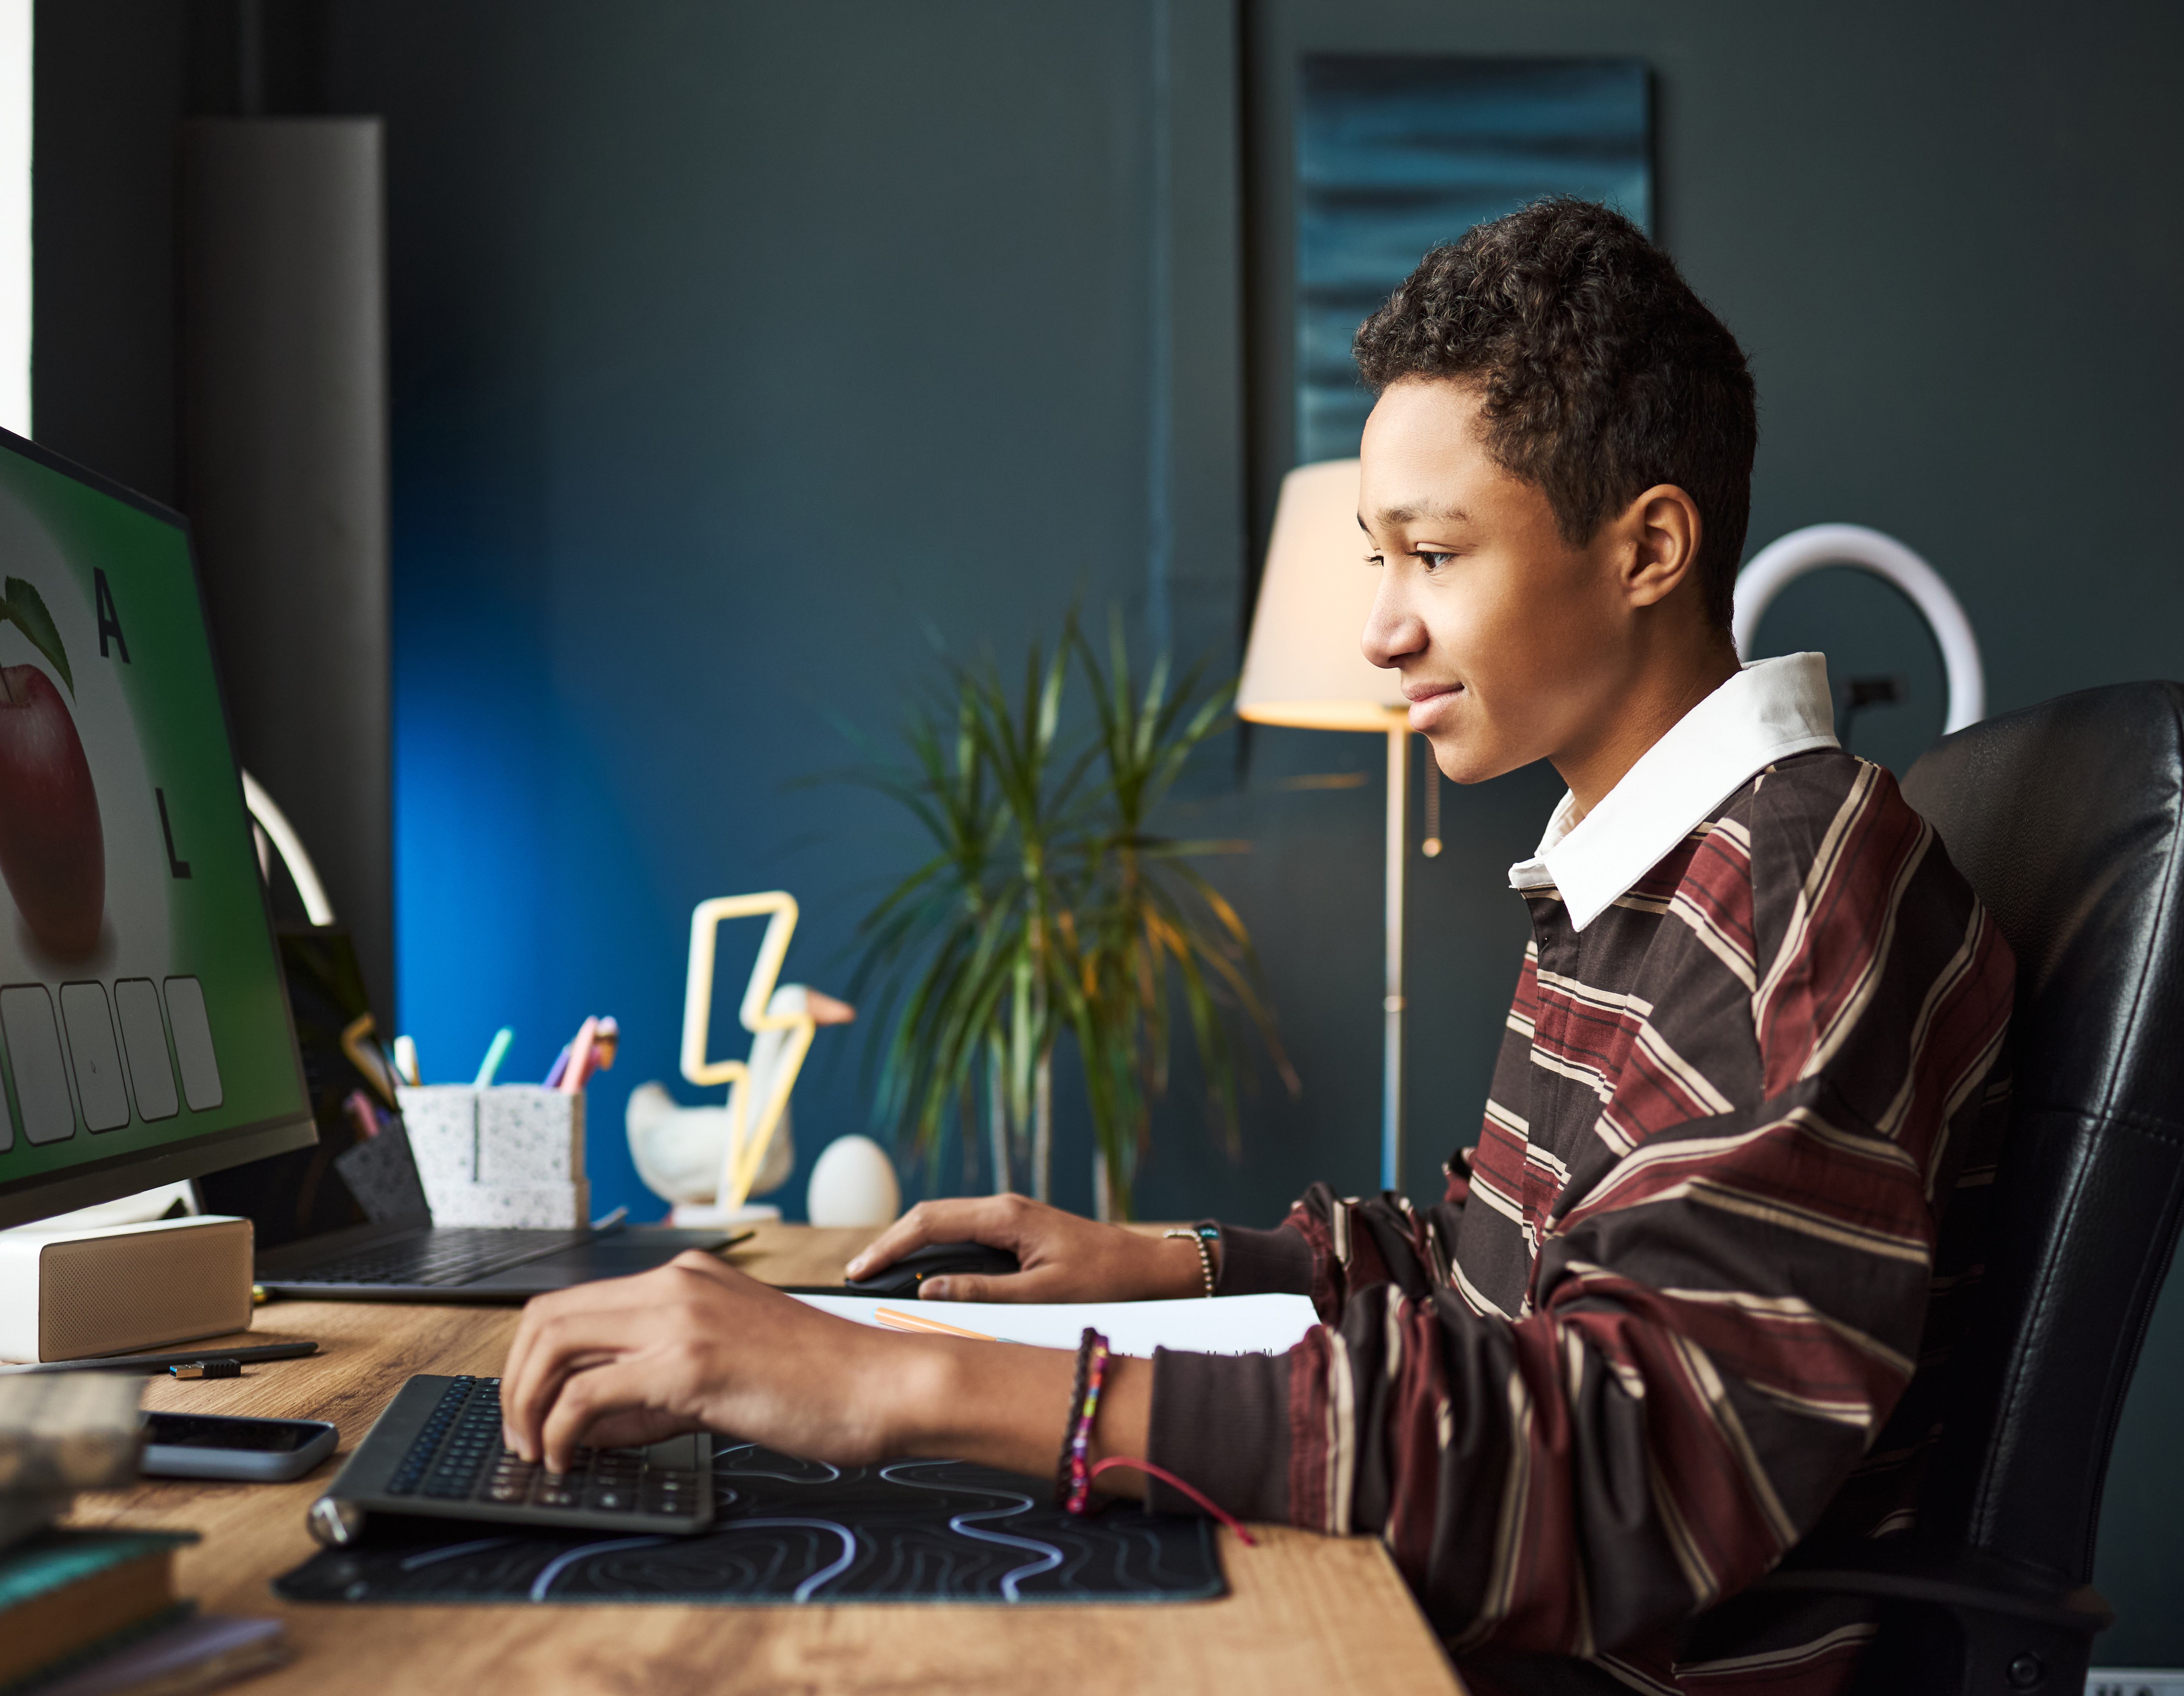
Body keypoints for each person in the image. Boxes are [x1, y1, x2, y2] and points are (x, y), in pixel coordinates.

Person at [501, 198, 2013, 1694]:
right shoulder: (1645, 868)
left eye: (1433, 554)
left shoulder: (1795, 892)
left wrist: (914, 1379)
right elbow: (1501, 1284)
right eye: (1378, 556)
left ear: (1650, 548)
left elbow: (1633, 1473)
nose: (1381, 629)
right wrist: (1167, 1261)